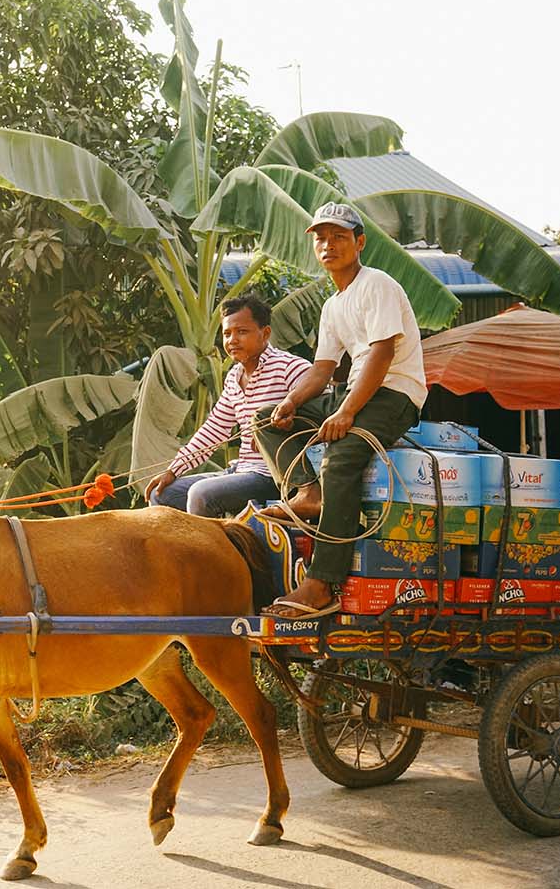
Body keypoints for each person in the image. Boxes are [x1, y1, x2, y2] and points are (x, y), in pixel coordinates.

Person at [253, 202, 426, 619]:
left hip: (396, 393)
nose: (329, 245)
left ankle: (322, 584)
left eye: (339, 236)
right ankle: (307, 492)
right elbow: (323, 369)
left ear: (359, 242)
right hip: (356, 391)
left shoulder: (377, 284)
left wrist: (346, 412)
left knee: (342, 457)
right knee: (265, 418)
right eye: (321, 238)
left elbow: (383, 353)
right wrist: (291, 403)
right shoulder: (333, 305)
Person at [145, 294, 311, 517]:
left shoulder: (291, 368)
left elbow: (319, 417)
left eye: (242, 332)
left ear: (266, 333)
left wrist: (280, 429)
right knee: (161, 493)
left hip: (275, 476)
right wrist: (173, 470)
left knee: (201, 494)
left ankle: (205, 552)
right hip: (241, 470)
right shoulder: (234, 377)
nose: (232, 340)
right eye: (226, 333)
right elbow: (213, 430)